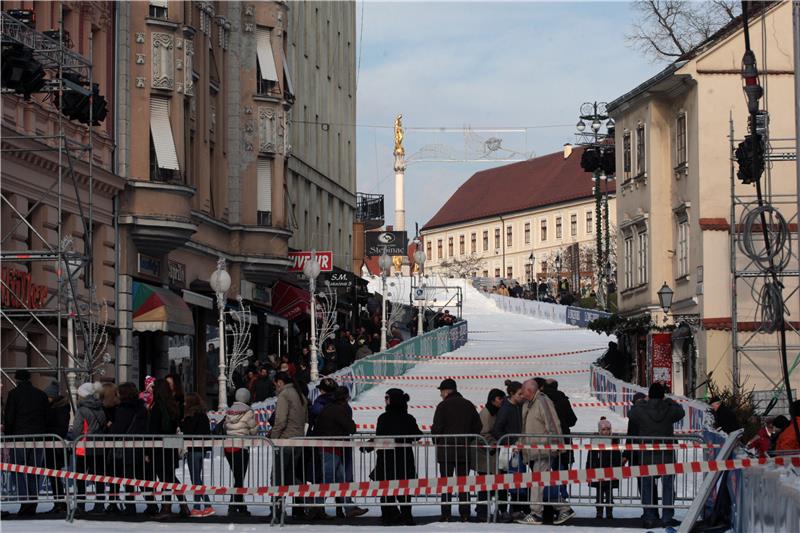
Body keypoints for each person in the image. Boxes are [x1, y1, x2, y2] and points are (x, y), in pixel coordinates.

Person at [625, 383, 685, 529]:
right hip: (667, 454)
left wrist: (644, 401)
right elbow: (681, 411)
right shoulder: (669, 409)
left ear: (649, 395)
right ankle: (667, 517)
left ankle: (649, 516)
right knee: (668, 487)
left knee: (647, 487)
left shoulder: (641, 410)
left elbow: (631, 413)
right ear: (663, 395)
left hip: (647, 454)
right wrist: (668, 400)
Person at [516, 379, 574, 526]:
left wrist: (555, 444)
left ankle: (536, 513)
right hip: (535, 451)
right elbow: (525, 428)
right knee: (545, 483)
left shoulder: (542, 402)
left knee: (537, 482)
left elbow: (553, 422)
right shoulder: (528, 405)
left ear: (530, 391)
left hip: (544, 450)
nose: (521, 394)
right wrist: (521, 443)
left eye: (523, 391)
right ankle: (564, 508)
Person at [309, 386, 367, 519]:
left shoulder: (329, 407)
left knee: (340, 479)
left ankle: (349, 507)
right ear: (345, 397)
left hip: (328, 447)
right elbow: (351, 428)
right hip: (331, 448)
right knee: (328, 479)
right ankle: (315, 507)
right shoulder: (341, 409)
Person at [431, 378, 482, 522]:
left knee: (446, 484)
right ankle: (465, 513)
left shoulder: (442, 406)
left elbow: (436, 429)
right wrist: (467, 440)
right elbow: (478, 427)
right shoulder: (468, 405)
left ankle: (446, 514)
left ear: (446, 391)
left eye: (441, 391)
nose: (441, 394)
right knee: (463, 484)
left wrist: (437, 441)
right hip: (464, 451)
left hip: (446, 452)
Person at [371, 388, 422, 526]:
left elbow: (379, 437)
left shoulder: (384, 418)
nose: (385, 400)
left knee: (386, 488)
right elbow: (417, 435)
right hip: (404, 459)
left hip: (386, 459)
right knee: (404, 489)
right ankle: (406, 516)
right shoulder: (408, 418)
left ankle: (388, 516)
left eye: (387, 398)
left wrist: (369, 446)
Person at [4, 370, 50, 516]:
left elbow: (9, 417)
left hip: (19, 438)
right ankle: (33, 502)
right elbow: (46, 416)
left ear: (16, 379)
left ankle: (25, 501)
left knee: (18, 470)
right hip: (38, 438)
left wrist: (9, 436)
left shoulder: (14, 394)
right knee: (34, 470)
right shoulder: (41, 394)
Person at [270, 371, 309, 520]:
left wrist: (273, 439)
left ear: (279, 382)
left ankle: (277, 510)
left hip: (285, 441)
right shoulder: (300, 395)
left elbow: (280, 420)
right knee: (290, 476)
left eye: (275, 384)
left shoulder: (285, 395)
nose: (275, 387)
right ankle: (310, 500)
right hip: (297, 440)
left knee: (277, 478)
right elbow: (305, 419)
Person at [147, 378, 185, 519]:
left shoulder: (158, 406)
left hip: (159, 446)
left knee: (165, 477)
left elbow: (153, 429)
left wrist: (148, 451)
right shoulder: (172, 404)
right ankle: (183, 505)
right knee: (170, 477)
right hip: (170, 444)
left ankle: (167, 507)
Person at [108, 382, 147, 515]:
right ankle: (149, 504)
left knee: (123, 477)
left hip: (124, 448)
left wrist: (110, 427)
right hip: (139, 447)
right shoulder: (142, 408)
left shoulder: (123, 409)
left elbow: (118, 429)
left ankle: (128, 506)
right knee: (139, 478)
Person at [541, 379, 577, 514]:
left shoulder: (540, 400)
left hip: (544, 443)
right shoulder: (563, 400)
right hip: (563, 443)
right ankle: (561, 502)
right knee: (561, 473)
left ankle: (546, 505)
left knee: (544, 474)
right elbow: (572, 420)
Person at [72, 381, 108, 514]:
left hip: (84, 447)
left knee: (81, 478)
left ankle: (80, 504)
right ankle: (100, 504)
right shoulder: (101, 408)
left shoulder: (82, 410)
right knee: (99, 477)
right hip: (99, 447)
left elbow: (77, 429)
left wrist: (73, 439)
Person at [492, 380, 526, 522]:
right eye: (520, 394)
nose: (522, 396)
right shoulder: (506, 409)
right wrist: (509, 441)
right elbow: (496, 430)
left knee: (518, 481)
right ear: (512, 394)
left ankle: (516, 509)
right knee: (504, 481)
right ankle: (503, 510)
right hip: (508, 451)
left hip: (518, 450)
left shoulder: (520, 406)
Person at [224, 388, 257, 516]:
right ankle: (234, 506)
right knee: (239, 479)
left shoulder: (229, 411)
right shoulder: (248, 412)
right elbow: (254, 430)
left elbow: (226, 426)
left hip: (228, 447)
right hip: (241, 447)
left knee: (238, 478)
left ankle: (239, 505)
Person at [181, 392, 214, 517]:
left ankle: (207, 504)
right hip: (202, 449)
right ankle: (196, 506)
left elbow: (188, 432)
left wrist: (182, 423)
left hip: (193, 449)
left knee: (195, 479)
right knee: (197, 478)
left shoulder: (191, 415)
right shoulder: (203, 414)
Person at [475, 388, 505, 521]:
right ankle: (482, 512)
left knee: (494, 484)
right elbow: (484, 433)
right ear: (493, 399)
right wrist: (495, 444)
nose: (502, 401)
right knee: (485, 485)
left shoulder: (496, 412)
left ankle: (484, 509)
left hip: (492, 454)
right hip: (485, 454)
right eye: (500, 398)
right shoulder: (486, 413)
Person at [43, 381, 71, 513]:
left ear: (52, 397)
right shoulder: (58, 407)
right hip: (53, 444)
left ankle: (60, 503)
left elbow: (61, 428)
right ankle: (59, 502)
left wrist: (46, 429)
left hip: (55, 445)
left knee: (55, 475)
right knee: (54, 475)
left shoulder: (59, 408)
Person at [587, 417, 622, 519]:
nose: (606, 432)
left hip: (611, 470)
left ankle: (609, 511)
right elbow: (591, 456)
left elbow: (617, 456)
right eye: (603, 429)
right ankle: (599, 511)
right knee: (599, 493)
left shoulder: (614, 441)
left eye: (608, 429)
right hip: (598, 470)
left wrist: (618, 467)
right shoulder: (595, 441)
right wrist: (589, 469)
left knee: (609, 493)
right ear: (599, 430)